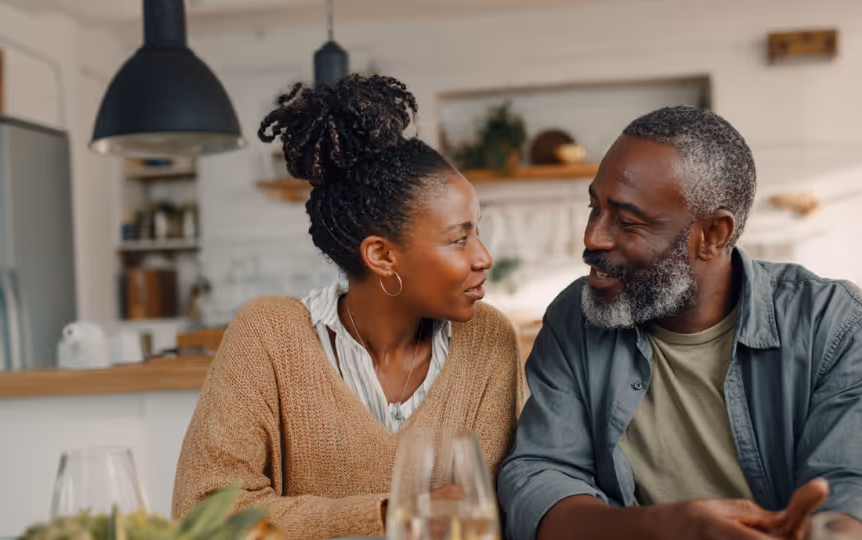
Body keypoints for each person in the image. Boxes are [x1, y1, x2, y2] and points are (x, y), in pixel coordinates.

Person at [172, 74, 524, 540]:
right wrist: (391, 515)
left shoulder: (489, 338)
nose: (483, 257)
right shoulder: (269, 336)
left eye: (477, 231)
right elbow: (203, 516)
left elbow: (502, 507)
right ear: (382, 255)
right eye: (459, 239)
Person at [498, 105, 862, 540]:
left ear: (713, 235)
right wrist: (659, 527)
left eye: (628, 222)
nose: (593, 236)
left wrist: (828, 530)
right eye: (594, 207)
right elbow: (542, 476)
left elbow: (848, 486)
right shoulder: (574, 319)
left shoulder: (834, 325)